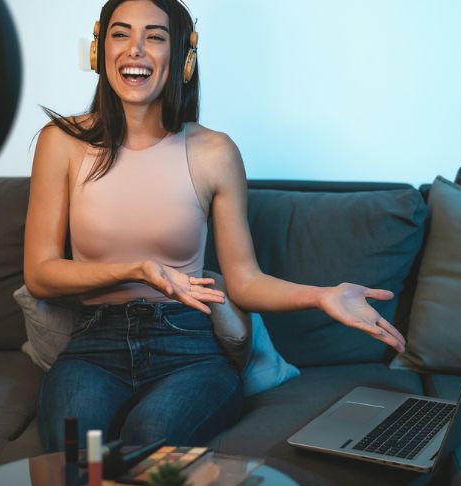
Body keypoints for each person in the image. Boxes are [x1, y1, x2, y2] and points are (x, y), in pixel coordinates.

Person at [24, 0, 406, 453]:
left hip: (188, 344)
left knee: (152, 446)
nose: (136, 50)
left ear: (184, 56)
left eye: (156, 37)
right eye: (120, 34)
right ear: (98, 51)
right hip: (95, 342)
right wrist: (137, 270)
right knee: (73, 453)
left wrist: (322, 296)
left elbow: (244, 282)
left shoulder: (215, 152)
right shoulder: (62, 142)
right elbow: (41, 274)